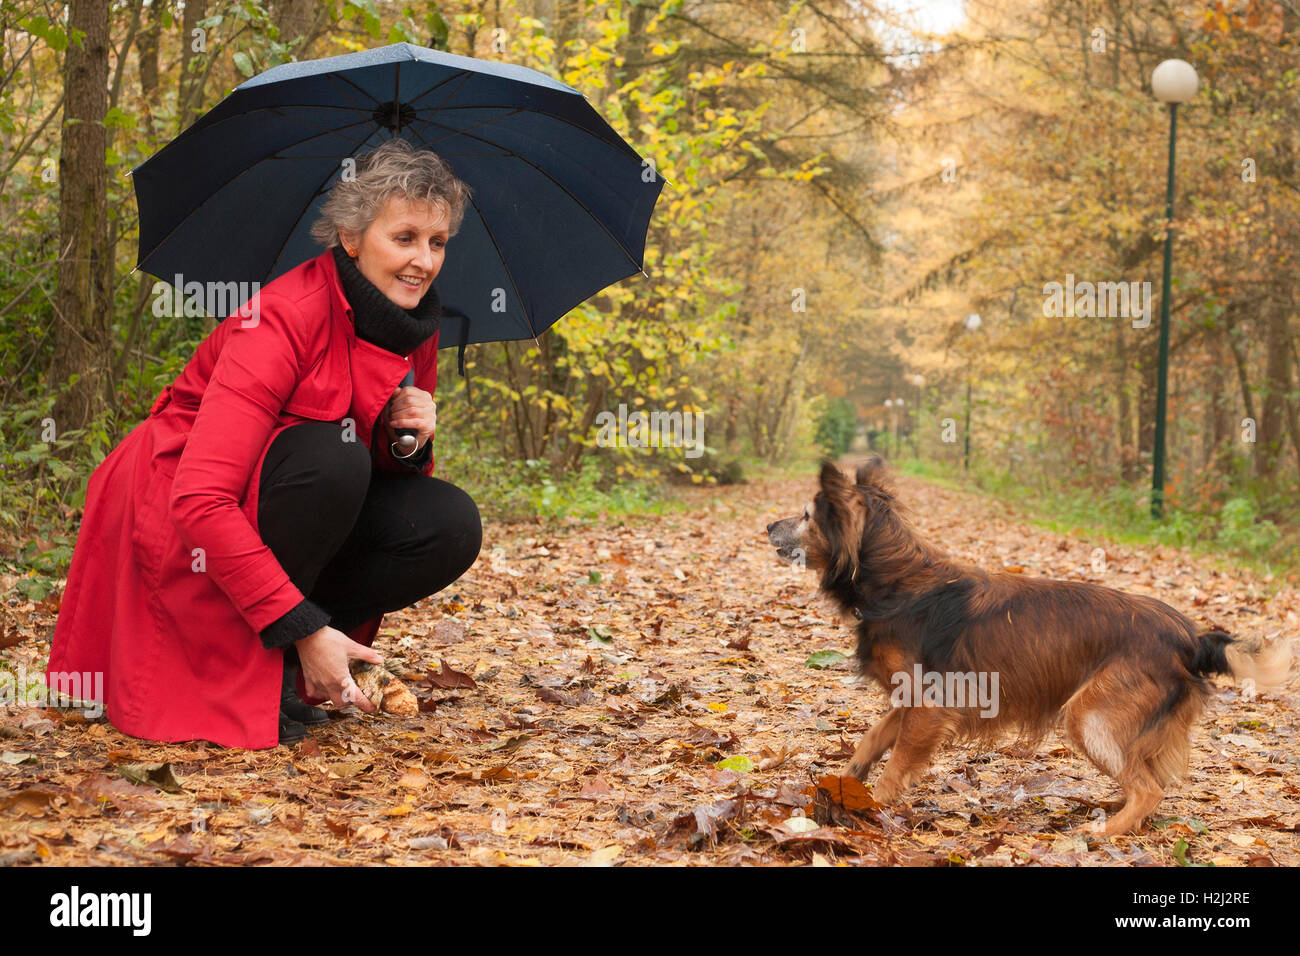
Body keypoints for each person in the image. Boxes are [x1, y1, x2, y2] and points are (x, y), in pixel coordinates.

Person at [48, 139, 482, 748]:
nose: (424, 261)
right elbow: (200, 498)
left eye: (437, 242)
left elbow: (382, 480)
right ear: (352, 239)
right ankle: (282, 646)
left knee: (447, 521)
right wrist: (305, 627)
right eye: (405, 237)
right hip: (175, 494)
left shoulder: (414, 327)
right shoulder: (280, 318)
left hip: (286, 493)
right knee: (332, 459)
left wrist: (406, 439)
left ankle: (285, 669)